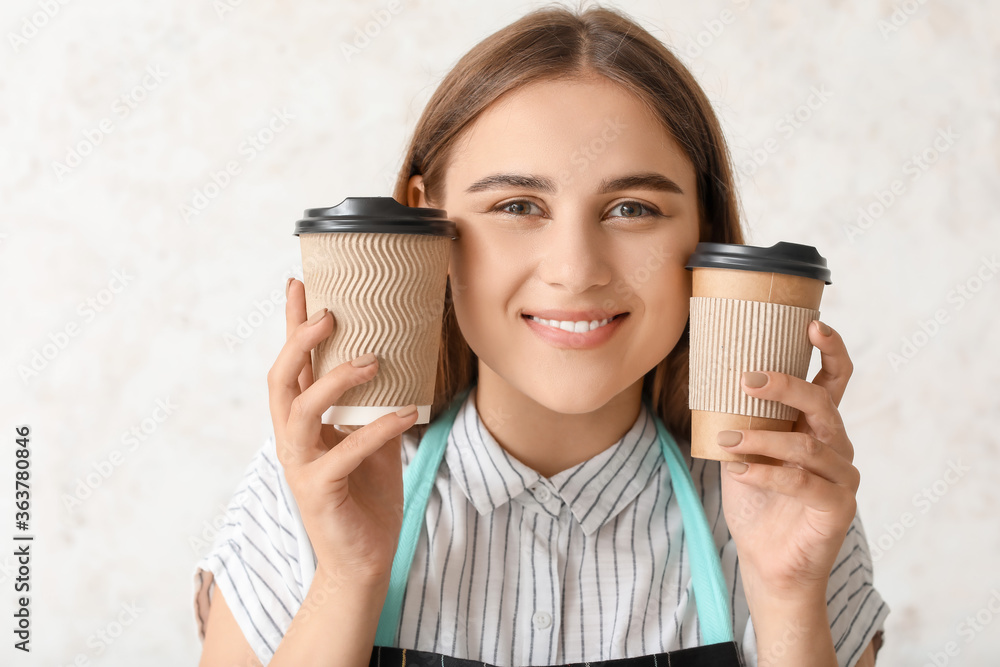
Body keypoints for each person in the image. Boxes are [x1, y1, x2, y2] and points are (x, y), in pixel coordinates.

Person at [193, 4, 889, 666]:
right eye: (518, 205)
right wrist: (348, 572)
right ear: (424, 221)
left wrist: (786, 592)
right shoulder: (310, 486)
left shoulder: (791, 507)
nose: (575, 270)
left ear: (702, 234)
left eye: (631, 208)